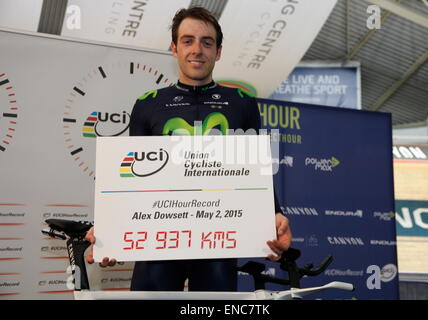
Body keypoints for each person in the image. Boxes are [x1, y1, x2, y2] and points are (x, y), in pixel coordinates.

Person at [85, 6, 292, 291]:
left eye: (207, 42)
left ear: (218, 52)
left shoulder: (242, 102)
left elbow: (257, 172)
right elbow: (130, 178)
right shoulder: (148, 103)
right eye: (188, 40)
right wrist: (111, 229)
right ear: (174, 48)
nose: (198, 49)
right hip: (158, 241)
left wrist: (274, 215)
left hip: (218, 240)